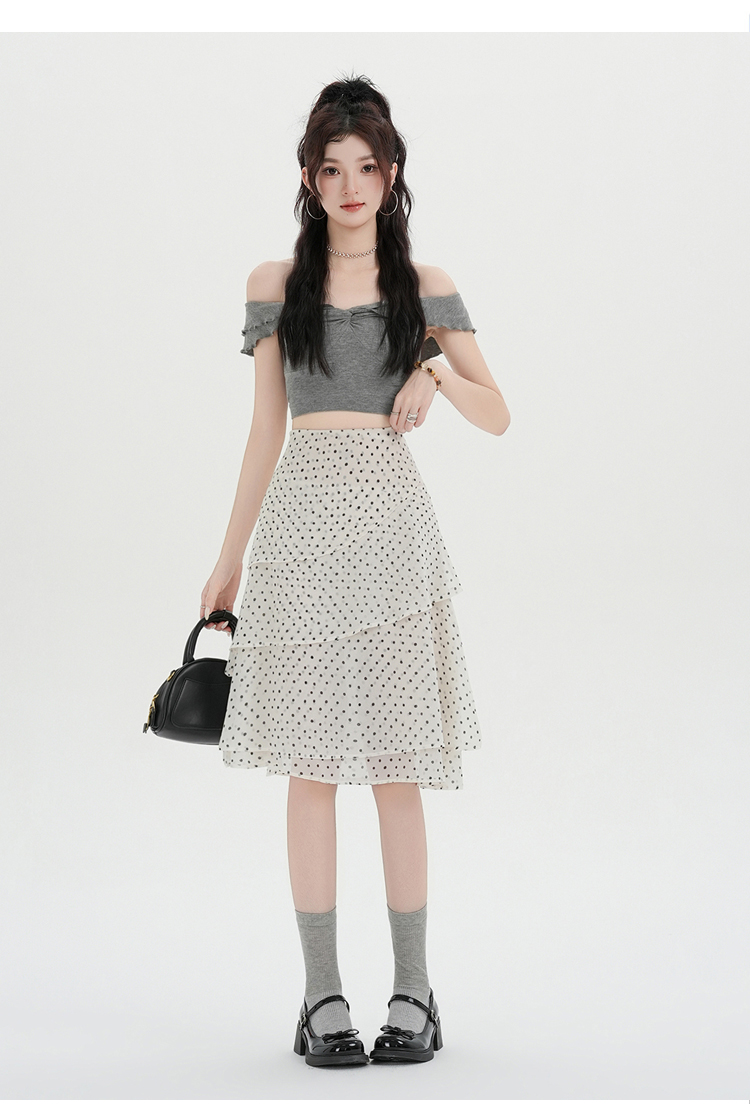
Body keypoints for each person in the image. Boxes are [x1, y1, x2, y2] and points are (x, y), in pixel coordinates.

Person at [200, 74, 510, 1068]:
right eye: (331, 169)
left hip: (391, 539)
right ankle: (321, 995)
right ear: (308, 177)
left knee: (396, 769)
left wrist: (432, 369)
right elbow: (264, 429)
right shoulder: (272, 284)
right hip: (297, 539)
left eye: (365, 167)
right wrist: (228, 560)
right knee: (309, 772)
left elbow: (498, 412)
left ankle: (414, 991)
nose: (348, 186)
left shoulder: (423, 282)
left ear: (391, 173)